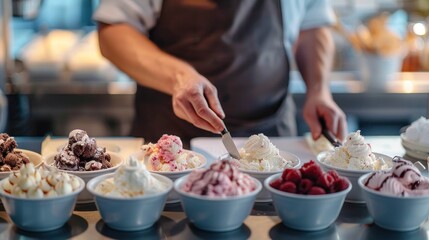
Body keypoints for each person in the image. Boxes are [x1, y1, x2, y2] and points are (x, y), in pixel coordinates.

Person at [93, 0, 347, 148]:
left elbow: (312, 25)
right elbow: (114, 31)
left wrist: (318, 90)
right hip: (171, 141)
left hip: (273, 137)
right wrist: (179, 77)